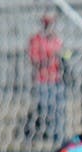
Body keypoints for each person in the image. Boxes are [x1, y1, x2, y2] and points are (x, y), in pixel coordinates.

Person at [28, 13, 66, 143]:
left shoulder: (56, 40)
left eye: (51, 23)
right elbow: (35, 61)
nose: (49, 26)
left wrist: (64, 56)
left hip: (57, 80)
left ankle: (58, 137)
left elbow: (65, 56)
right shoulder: (36, 40)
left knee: (59, 109)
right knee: (46, 109)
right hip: (42, 80)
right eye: (47, 23)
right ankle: (47, 134)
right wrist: (50, 57)